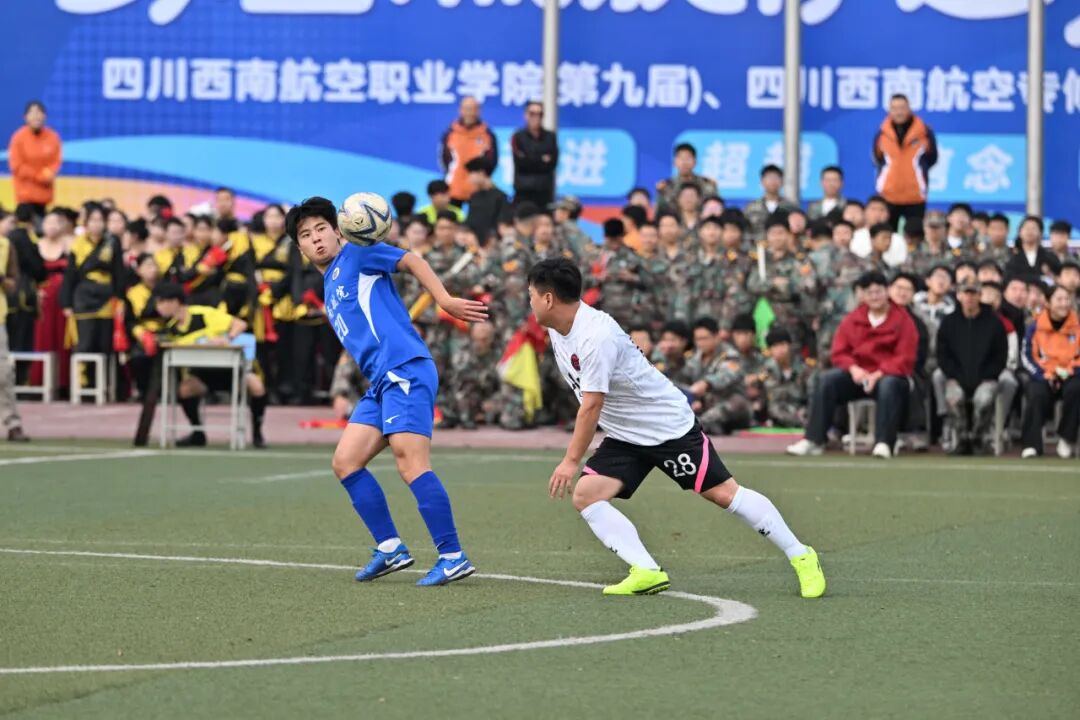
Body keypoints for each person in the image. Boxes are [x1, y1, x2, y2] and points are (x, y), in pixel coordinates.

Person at [529, 257, 825, 598]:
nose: (529, 302)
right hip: (627, 434)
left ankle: (801, 555)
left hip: (666, 426)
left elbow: (591, 405)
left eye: (531, 295)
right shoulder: (558, 328)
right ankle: (646, 571)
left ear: (548, 299)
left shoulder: (595, 336)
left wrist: (570, 461)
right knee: (586, 495)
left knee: (723, 494)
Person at [285, 196, 487, 586]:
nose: (316, 238)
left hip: (404, 370)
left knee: (411, 464)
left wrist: (444, 300)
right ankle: (391, 548)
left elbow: (411, 260)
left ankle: (452, 556)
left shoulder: (358, 254)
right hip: (381, 382)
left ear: (339, 230)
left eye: (322, 229)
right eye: (306, 235)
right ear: (300, 248)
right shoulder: (329, 283)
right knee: (346, 462)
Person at [787, 271, 918, 459]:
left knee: (889, 385)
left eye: (878, 292)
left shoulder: (903, 320)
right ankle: (814, 439)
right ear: (863, 295)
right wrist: (854, 369)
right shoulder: (853, 319)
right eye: (870, 293)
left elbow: (905, 357)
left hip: (888, 377)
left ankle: (884, 442)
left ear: (887, 291)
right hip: (858, 376)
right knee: (827, 380)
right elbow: (839, 352)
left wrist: (879, 374)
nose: (875, 297)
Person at [153, 282, 268, 448]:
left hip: (231, 371)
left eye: (161, 302)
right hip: (202, 374)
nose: (158, 307)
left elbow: (239, 324)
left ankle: (257, 434)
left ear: (174, 301)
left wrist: (226, 338)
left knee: (257, 386)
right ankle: (197, 433)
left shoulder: (202, 314)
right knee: (185, 390)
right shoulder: (171, 329)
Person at [936, 280, 1007, 455]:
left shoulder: (994, 323)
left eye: (973, 293)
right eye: (965, 293)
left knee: (983, 399)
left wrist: (987, 376)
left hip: (986, 378)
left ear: (980, 295)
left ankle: (977, 438)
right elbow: (943, 355)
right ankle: (961, 439)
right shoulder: (949, 323)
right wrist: (954, 376)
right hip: (956, 377)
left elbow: (1000, 356)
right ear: (959, 295)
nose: (969, 297)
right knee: (953, 397)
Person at [60, 203, 124, 389]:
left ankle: (104, 386)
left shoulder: (112, 242)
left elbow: (118, 272)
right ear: (86, 222)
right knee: (85, 343)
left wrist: (120, 298)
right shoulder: (77, 244)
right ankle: (83, 386)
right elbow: (70, 275)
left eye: (100, 220)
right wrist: (66, 303)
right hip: (83, 297)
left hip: (106, 296)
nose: (97, 224)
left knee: (104, 344)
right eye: (92, 220)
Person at [1020, 284, 1080, 459]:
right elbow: (1027, 355)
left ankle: (1066, 439)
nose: (1064, 303)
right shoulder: (1035, 326)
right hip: (1044, 374)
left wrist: (1070, 371)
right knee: (1036, 392)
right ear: (1048, 302)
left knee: (1076, 389)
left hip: (1071, 374)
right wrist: (1043, 375)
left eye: (1067, 299)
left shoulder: (1077, 325)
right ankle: (1032, 444)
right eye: (1059, 299)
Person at [873, 93, 937, 229]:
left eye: (902, 108)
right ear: (889, 110)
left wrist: (916, 173)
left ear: (909, 108)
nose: (899, 112)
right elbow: (877, 158)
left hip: (915, 196)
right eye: (894, 108)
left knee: (915, 235)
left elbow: (932, 158)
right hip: (888, 196)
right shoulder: (882, 134)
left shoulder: (924, 132)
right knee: (886, 235)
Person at [31, 210, 72, 394]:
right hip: (43, 299)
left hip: (62, 299)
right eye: (49, 223)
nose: (52, 227)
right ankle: (40, 381)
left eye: (56, 223)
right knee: (43, 337)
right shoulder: (36, 246)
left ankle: (63, 383)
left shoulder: (69, 246)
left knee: (62, 339)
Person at [7, 100, 62, 222]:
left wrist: (46, 175)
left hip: (44, 197)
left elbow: (55, 162)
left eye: (39, 112)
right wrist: (38, 176)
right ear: (25, 117)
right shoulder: (18, 138)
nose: (36, 116)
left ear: (45, 116)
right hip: (25, 198)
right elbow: (17, 166)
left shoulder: (53, 137)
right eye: (32, 113)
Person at [439, 96, 498, 206]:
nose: (470, 113)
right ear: (460, 110)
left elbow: (492, 161)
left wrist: (482, 180)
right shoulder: (450, 133)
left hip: (478, 190)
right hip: (453, 188)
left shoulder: (487, 135)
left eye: (473, 109)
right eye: (467, 109)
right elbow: (444, 159)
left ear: (479, 111)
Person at [0, 230, 28, 441]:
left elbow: (12, 284)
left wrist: (2, 279)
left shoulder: (5, 246)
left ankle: (12, 422)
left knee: (4, 372)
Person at [511, 101, 558, 209]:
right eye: (532, 114)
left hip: (544, 192)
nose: (536, 118)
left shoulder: (550, 137)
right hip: (523, 192)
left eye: (540, 114)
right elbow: (521, 163)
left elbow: (552, 164)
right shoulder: (518, 137)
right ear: (526, 115)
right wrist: (541, 159)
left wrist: (530, 158)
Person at [655, 143, 718, 215]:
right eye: (681, 158)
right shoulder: (666, 186)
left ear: (695, 162)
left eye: (688, 158)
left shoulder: (707, 184)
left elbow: (716, 210)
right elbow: (659, 213)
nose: (684, 162)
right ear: (674, 162)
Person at [743, 165, 798, 243]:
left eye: (776, 178)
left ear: (782, 182)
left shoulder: (791, 207)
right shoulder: (750, 208)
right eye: (769, 178)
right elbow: (745, 233)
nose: (773, 181)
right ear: (762, 181)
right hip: (757, 248)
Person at [463, 157, 508, 245]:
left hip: (493, 244)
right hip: (473, 243)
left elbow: (502, 222)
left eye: (471, 173)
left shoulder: (500, 196)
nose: (469, 178)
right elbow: (470, 222)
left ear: (481, 172)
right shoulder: (474, 196)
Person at [1006, 215, 1060, 282]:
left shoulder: (1050, 257)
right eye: (1027, 228)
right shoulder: (1012, 258)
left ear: (1040, 233)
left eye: (1033, 228)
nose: (1030, 231)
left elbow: (1059, 278)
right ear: (1019, 232)